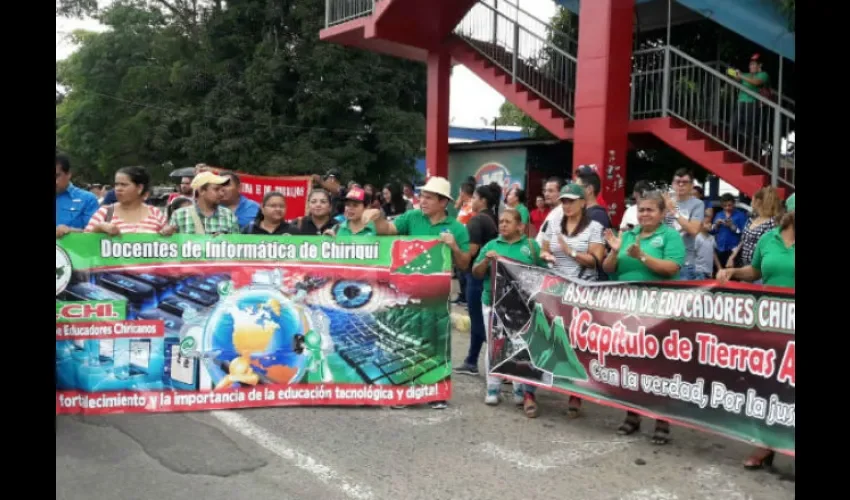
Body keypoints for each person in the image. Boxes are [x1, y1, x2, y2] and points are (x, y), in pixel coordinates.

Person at [364, 176, 471, 410]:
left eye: (429, 197)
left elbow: (464, 264)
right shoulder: (412, 217)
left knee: (436, 340)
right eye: (422, 196)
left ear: (443, 202)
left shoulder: (457, 228)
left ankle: (436, 391)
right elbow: (387, 231)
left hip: (437, 294)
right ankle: (404, 390)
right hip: (407, 290)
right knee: (405, 338)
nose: (422, 201)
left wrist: (453, 246)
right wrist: (378, 216)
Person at [602, 190, 686, 444]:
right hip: (628, 312)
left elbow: (672, 268)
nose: (644, 214)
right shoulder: (628, 235)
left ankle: (662, 420)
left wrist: (642, 256)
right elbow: (608, 269)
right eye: (641, 209)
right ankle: (633, 415)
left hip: (659, 312)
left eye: (650, 209)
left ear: (661, 213)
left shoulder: (670, 236)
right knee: (632, 365)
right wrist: (615, 251)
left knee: (660, 367)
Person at [717, 193, 794, 470]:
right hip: (771, 322)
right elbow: (756, 271)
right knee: (770, 385)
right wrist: (734, 273)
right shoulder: (769, 238)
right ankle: (766, 445)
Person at [471, 208, 548, 416]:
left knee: (521, 346)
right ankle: (493, 387)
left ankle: (519, 388)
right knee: (496, 345)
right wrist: (486, 261)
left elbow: (543, 271)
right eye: (501, 221)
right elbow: (476, 273)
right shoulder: (491, 245)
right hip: (493, 302)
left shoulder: (531, 247)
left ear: (520, 226)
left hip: (522, 306)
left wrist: (547, 257)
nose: (503, 224)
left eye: (508, 221)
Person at [539, 183, 606, 417]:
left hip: (582, 291)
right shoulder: (554, 224)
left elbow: (597, 260)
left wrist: (571, 252)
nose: (566, 205)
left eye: (571, 201)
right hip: (556, 289)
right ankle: (546, 381)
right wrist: (546, 255)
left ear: (582, 202)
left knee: (579, 343)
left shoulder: (594, 227)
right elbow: (544, 249)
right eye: (563, 201)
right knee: (553, 336)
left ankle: (576, 396)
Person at [454, 184, 500, 377]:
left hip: (476, 275)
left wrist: (454, 248)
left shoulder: (477, 221)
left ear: (482, 201)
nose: (470, 201)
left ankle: (498, 363)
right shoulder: (493, 218)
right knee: (483, 319)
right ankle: (472, 361)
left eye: (474, 197)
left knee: (479, 320)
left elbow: (471, 251)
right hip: (489, 276)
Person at [85, 166, 169, 235]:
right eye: (116, 184)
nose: (118, 189)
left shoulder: (156, 213)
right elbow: (83, 246)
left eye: (123, 185)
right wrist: (98, 228)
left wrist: (168, 233)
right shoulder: (104, 213)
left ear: (140, 188)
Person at [726, 186, 782, 272]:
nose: (750, 202)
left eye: (752, 199)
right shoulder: (751, 219)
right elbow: (743, 240)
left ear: (758, 202)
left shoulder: (772, 223)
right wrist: (732, 257)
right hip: (744, 267)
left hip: (760, 270)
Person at [663, 168, 705, 280]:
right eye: (677, 182)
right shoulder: (666, 202)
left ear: (691, 185)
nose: (681, 185)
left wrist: (673, 211)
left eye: (685, 182)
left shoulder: (697, 204)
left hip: (685, 262)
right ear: (672, 184)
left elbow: (694, 230)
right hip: (664, 259)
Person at [168, 171, 240, 235]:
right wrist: (164, 235)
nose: (221, 193)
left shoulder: (228, 215)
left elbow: (237, 244)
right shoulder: (179, 215)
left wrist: (225, 241)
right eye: (216, 189)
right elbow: (170, 245)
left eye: (221, 189)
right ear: (202, 191)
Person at [56, 154, 100, 238]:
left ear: (68, 174)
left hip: (73, 250)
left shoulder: (87, 199)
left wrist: (70, 231)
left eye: (57, 176)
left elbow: (95, 235)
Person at [711, 193, 748, 268]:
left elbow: (744, 234)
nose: (727, 208)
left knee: (733, 276)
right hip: (719, 249)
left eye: (729, 205)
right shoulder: (719, 214)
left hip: (734, 251)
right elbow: (713, 231)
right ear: (722, 205)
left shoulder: (741, 215)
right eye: (725, 206)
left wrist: (732, 227)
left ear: (734, 203)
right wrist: (716, 225)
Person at [695, 207, 720, 279]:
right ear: (701, 224)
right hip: (699, 271)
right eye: (707, 223)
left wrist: (719, 268)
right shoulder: (698, 238)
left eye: (710, 223)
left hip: (709, 272)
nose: (709, 225)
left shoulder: (712, 238)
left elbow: (713, 254)